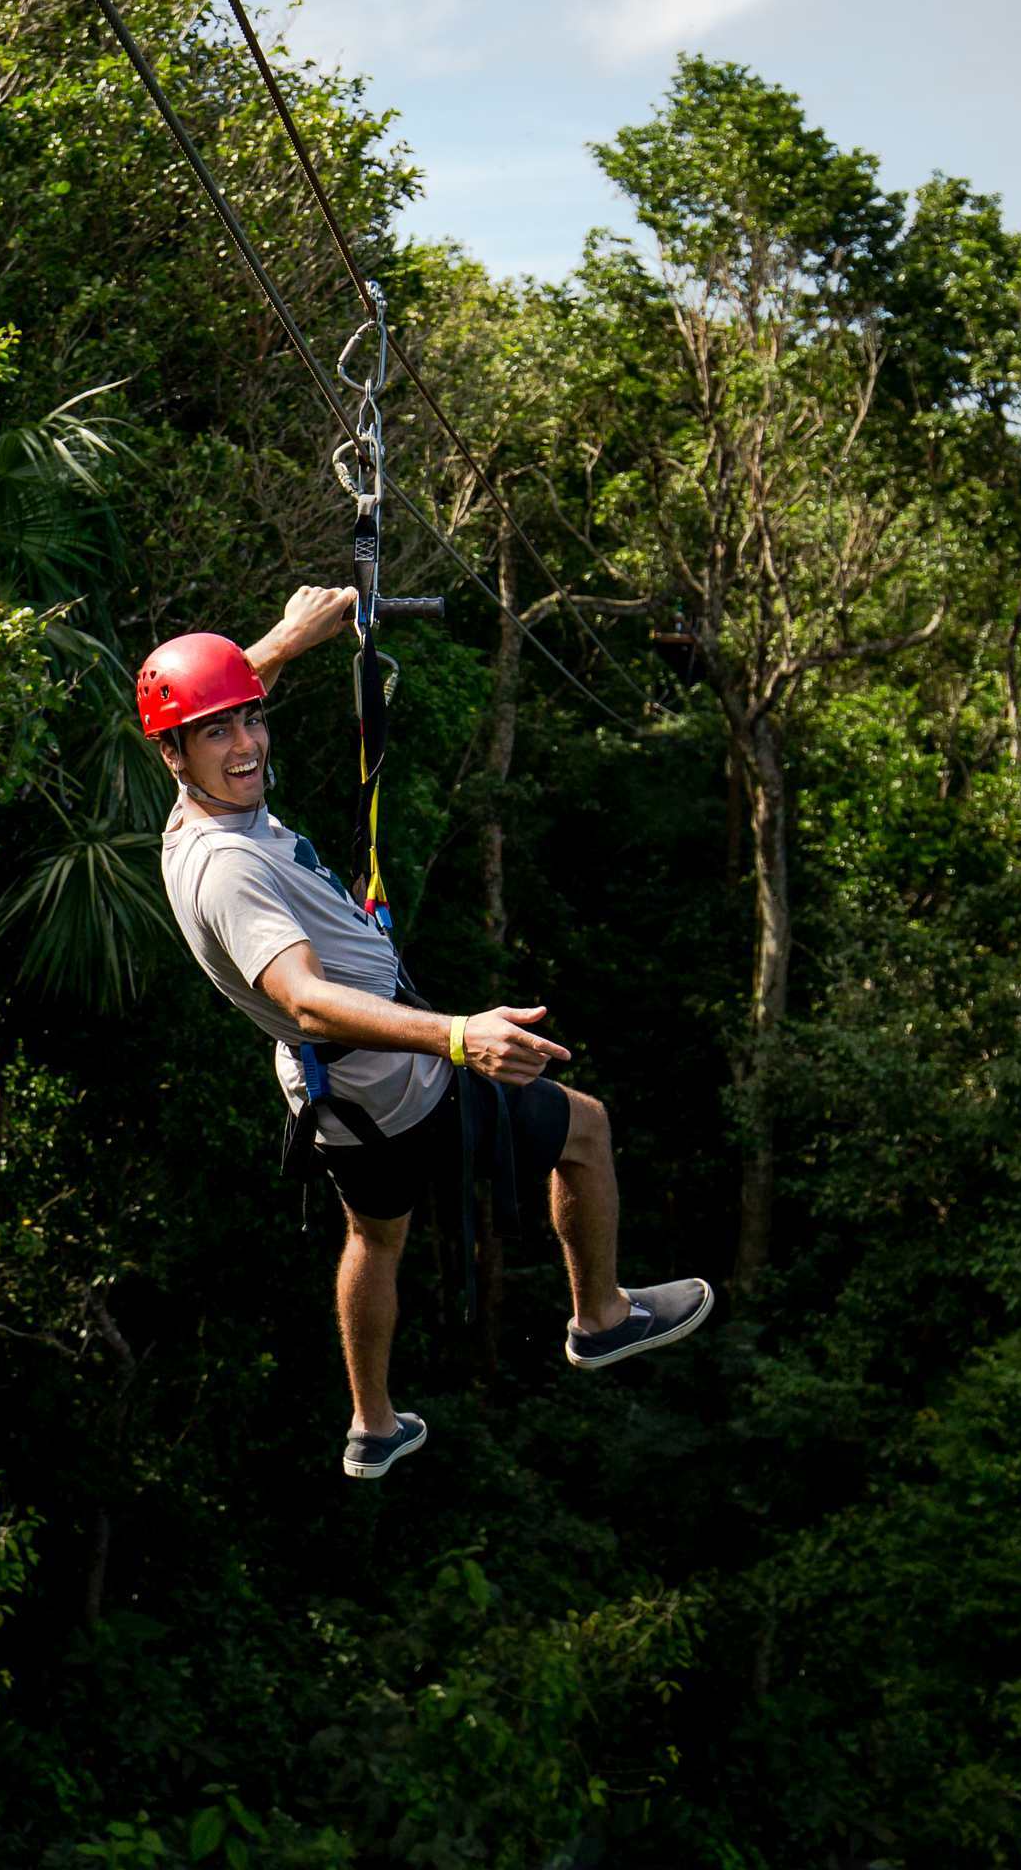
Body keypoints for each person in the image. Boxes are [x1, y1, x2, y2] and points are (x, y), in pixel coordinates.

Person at [144, 586, 713, 1480]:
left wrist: (284, 642)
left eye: (250, 719)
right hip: (405, 1084)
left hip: (335, 1101)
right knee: (588, 1128)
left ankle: (371, 1425)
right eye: (219, 734)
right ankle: (599, 1320)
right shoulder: (227, 869)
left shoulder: (189, 820)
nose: (246, 743)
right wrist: (456, 1036)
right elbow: (302, 998)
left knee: (375, 1238)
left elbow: (206, 696)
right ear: (174, 753)